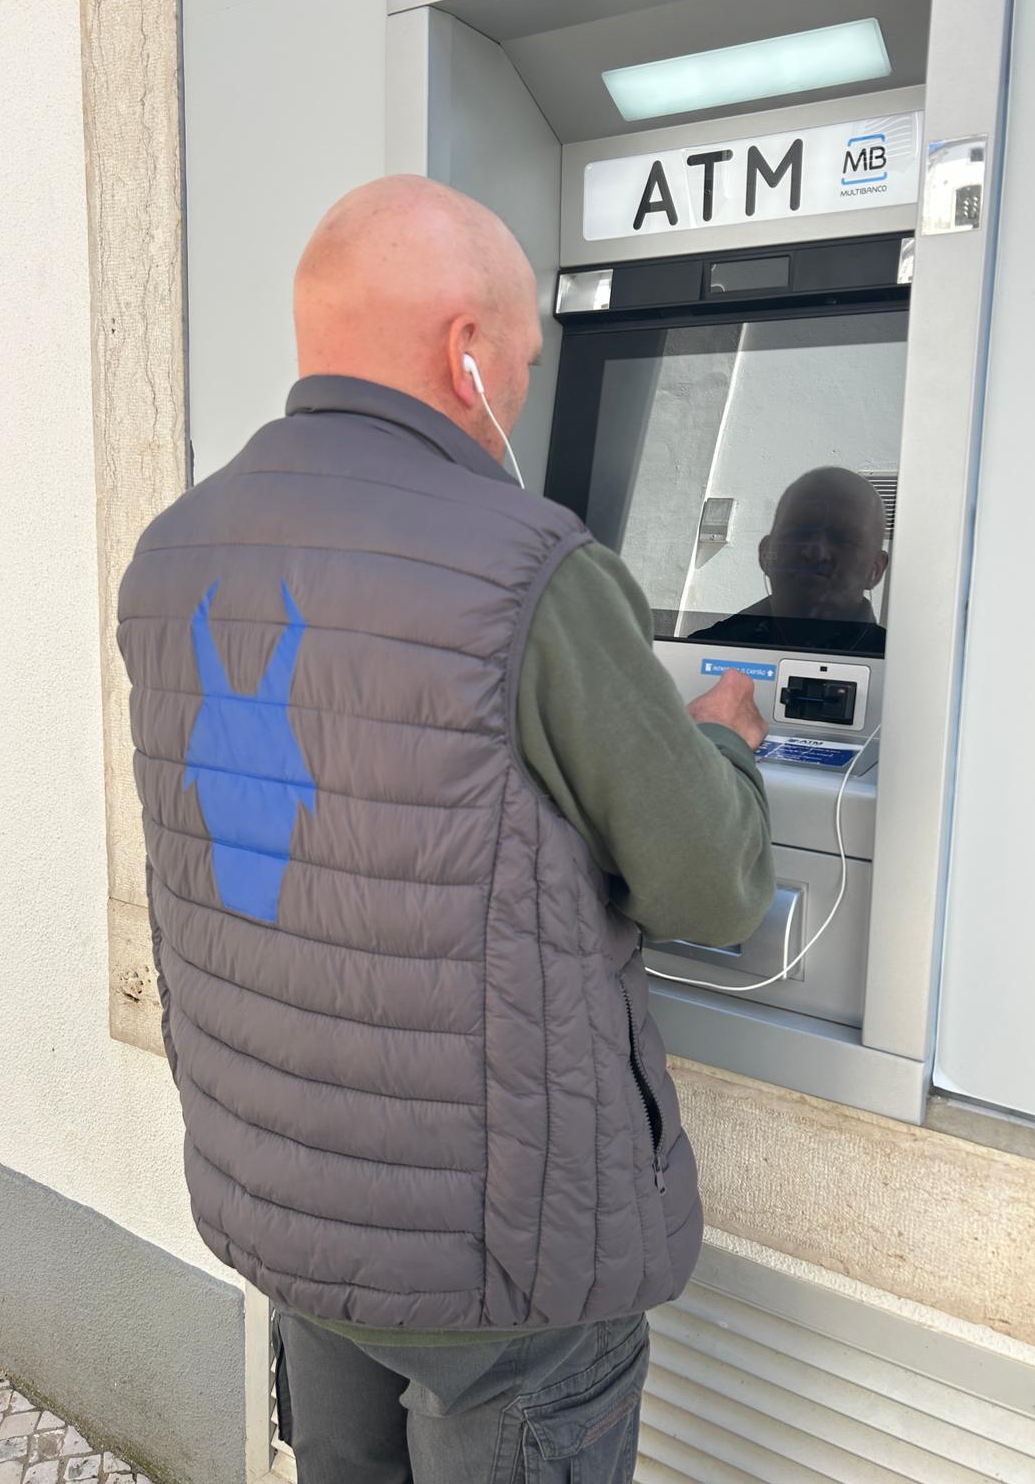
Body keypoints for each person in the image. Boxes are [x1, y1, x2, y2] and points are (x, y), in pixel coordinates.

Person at [117, 175, 775, 1484]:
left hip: (292, 1197)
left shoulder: (174, 550)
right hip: (494, 1262)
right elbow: (712, 884)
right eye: (527, 356)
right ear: (467, 348)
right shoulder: (528, 566)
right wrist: (721, 743)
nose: (523, 391)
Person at [690, 466, 889, 654]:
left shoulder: (899, 665)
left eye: (842, 539)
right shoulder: (702, 650)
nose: (815, 553)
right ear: (766, 553)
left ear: (876, 570)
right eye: (799, 533)